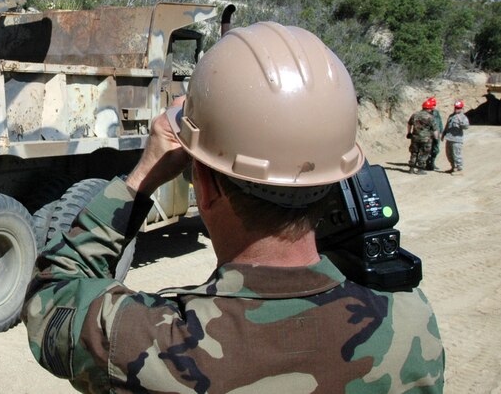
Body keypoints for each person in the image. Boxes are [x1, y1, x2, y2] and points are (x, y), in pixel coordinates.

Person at [23, 22, 444, 393]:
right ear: (344, 176)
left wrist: (140, 180)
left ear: (202, 186)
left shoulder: (149, 346)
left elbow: (52, 294)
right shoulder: (410, 320)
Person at [407, 99, 439, 175]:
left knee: (414, 152)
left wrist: (409, 133)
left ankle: (411, 168)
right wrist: (436, 138)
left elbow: (409, 124)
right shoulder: (430, 117)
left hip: (415, 138)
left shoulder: (415, 114)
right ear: (429, 108)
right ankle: (420, 169)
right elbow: (435, 129)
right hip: (426, 139)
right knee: (424, 153)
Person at [442, 99, 470, 175]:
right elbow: (447, 126)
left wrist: (461, 121)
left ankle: (459, 169)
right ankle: (453, 167)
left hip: (457, 139)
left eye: (458, 108)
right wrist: (443, 134)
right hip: (449, 138)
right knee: (449, 154)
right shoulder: (451, 116)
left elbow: (466, 126)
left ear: (461, 108)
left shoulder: (463, 117)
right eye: (456, 108)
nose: (456, 109)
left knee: (457, 154)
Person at [427, 97, 443, 170]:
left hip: (437, 134)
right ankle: (427, 164)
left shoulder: (436, 112)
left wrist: (441, 130)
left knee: (436, 149)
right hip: (429, 135)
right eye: (432, 105)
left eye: (434, 105)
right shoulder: (425, 113)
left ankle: (432, 163)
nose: (433, 106)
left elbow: (439, 121)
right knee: (428, 149)